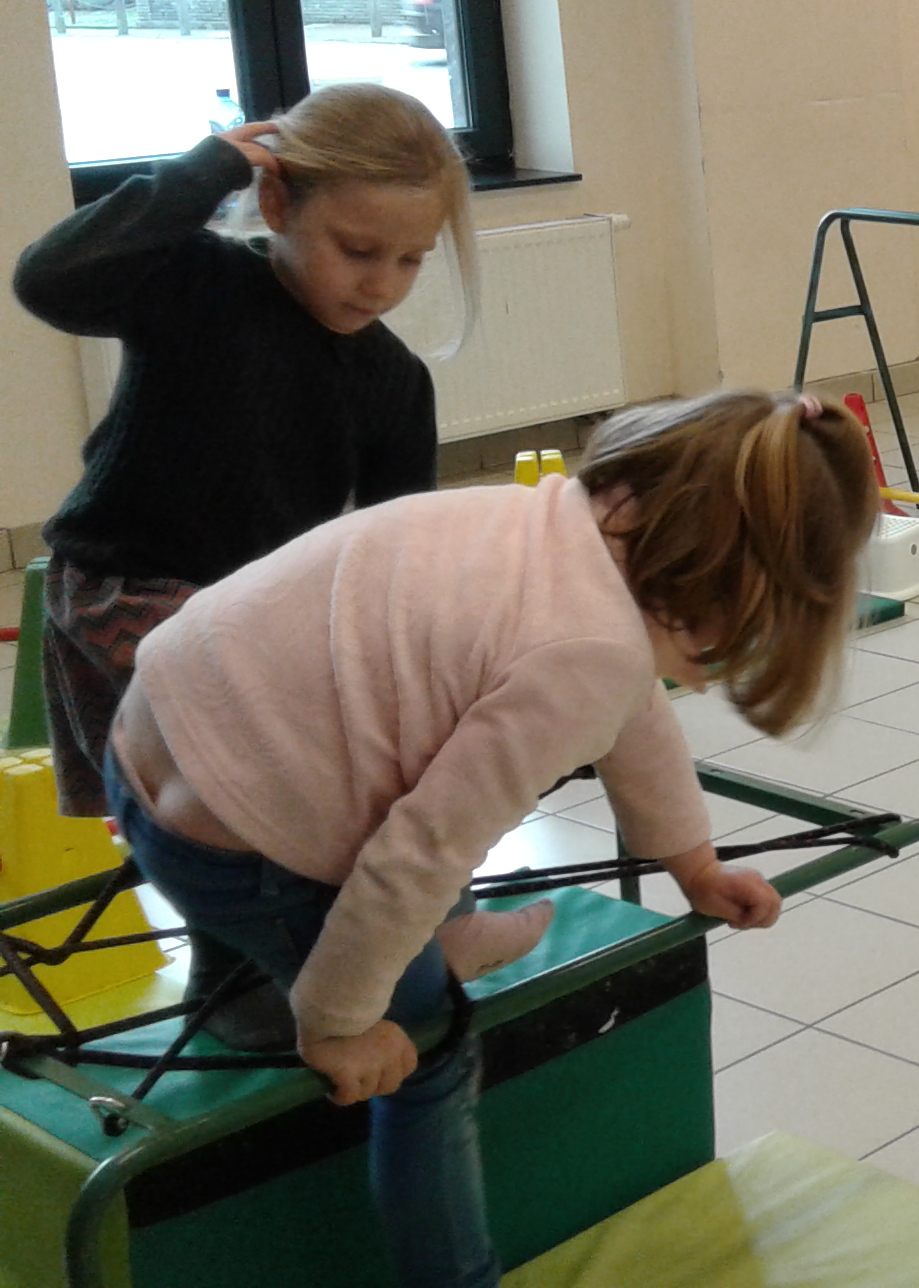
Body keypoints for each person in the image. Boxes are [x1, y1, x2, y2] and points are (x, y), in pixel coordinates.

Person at [106, 389, 872, 1288]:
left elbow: (628, 707)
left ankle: (251, 982)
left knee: (406, 774)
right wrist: (343, 1023)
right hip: (244, 845)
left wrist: (692, 862)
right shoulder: (591, 650)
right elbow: (421, 850)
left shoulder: (560, 528)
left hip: (149, 750)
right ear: (737, 592)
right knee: (430, 1054)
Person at [12, 82, 471, 1044]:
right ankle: (244, 976)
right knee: (250, 776)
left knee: (339, 751)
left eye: (410, 260)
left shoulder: (393, 378)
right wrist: (206, 170)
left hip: (243, 609)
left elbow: (399, 551)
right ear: (276, 205)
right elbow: (49, 280)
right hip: (125, 586)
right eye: (358, 250)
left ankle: (334, 951)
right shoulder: (200, 283)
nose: (381, 284)